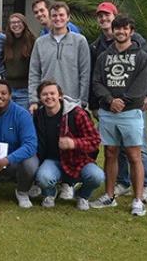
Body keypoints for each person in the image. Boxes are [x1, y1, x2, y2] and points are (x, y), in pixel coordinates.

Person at [90, 1, 147, 205]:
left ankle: (141, 192)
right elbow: (96, 80)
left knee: (136, 151)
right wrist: (109, 101)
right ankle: (113, 192)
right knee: (111, 152)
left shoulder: (141, 53)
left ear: (131, 31)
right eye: (117, 28)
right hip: (108, 110)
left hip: (131, 111)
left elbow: (143, 80)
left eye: (124, 28)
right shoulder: (102, 52)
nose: (120, 31)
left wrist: (127, 101)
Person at [32, 81, 103, 210]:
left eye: (52, 93)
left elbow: (95, 140)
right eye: (44, 94)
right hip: (52, 160)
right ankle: (49, 194)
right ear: (40, 98)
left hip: (78, 160)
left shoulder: (77, 114)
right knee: (43, 177)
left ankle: (83, 196)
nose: (49, 97)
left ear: (60, 95)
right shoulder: (38, 116)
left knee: (97, 176)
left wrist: (74, 143)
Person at [27, 1, 91, 111]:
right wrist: (34, 100)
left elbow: (85, 73)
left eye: (61, 15)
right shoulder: (40, 42)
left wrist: (83, 101)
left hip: (73, 103)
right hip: (47, 102)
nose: (58, 18)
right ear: (50, 18)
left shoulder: (80, 41)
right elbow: (34, 73)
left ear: (68, 17)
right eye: (54, 15)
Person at [3, 13, 35, 107]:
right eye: (13, 23)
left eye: (18, 22)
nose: (16, 25)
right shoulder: (6, 42)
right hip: (9, 88)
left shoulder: (32, 41)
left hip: (25, 89)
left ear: (24, 24)